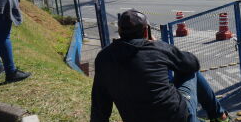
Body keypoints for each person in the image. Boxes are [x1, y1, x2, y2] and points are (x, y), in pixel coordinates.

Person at [91, 9, 231, 122]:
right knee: (190, 72)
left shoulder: (104, 57)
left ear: (120, 33)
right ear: (147, 31)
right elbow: (193, 64)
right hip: (178, 117)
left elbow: (99, 105)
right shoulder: (156, 48)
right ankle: (219, 116)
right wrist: (161, 46)